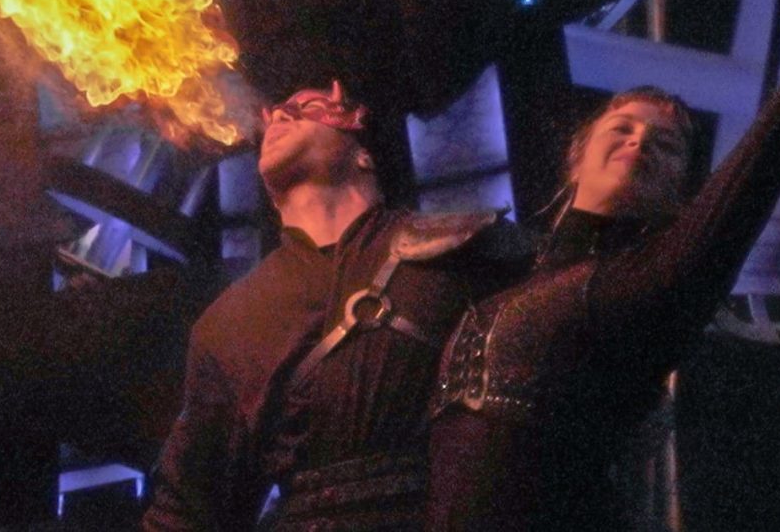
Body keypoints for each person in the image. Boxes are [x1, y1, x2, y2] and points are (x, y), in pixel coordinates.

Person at [425, 0, 780, 532]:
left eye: (666, 145)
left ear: (682, 191)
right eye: (623, 127)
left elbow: (765, 155)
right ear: (577, 154)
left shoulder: (659, 279)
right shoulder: (507, 268)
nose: (640, 142)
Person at [143, 81, 528, 532]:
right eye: (278, 112)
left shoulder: (462, 245)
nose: (279, 115)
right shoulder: (228, 323)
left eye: (308, 106)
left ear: (364, 154)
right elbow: (187, 507)